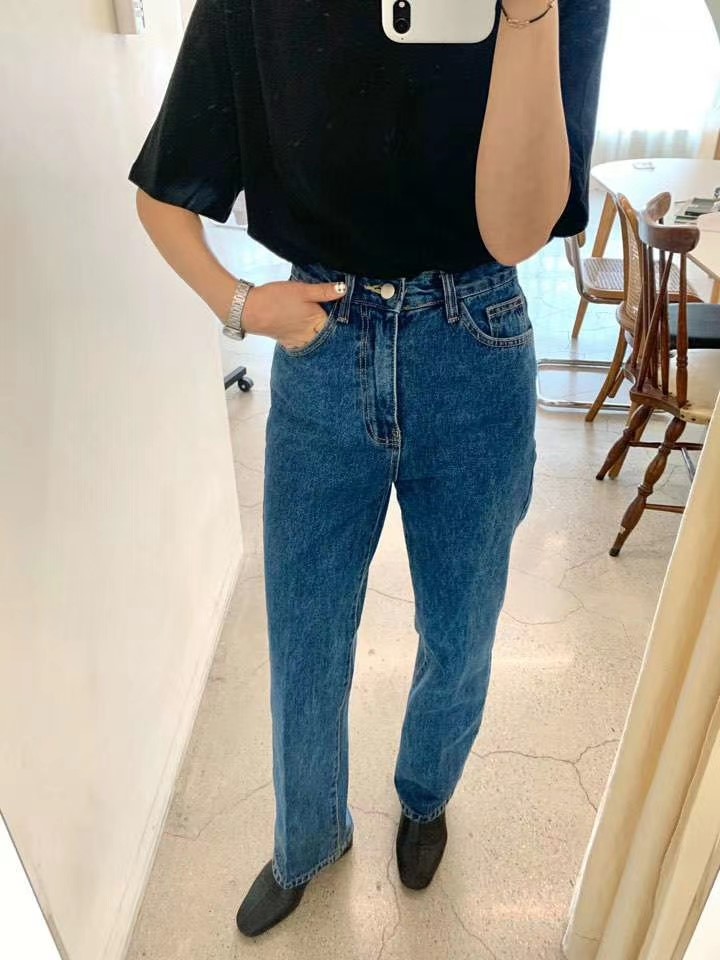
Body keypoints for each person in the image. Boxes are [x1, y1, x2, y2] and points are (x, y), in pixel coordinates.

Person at [129, 0, 609, 938]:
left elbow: (519, 230)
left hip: (477, 340)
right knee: (304, 637)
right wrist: (240, 304)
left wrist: (528, 16)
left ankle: (426, 795)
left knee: (461, 627)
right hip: (322, 343)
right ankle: (307, 838)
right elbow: (162, 189)